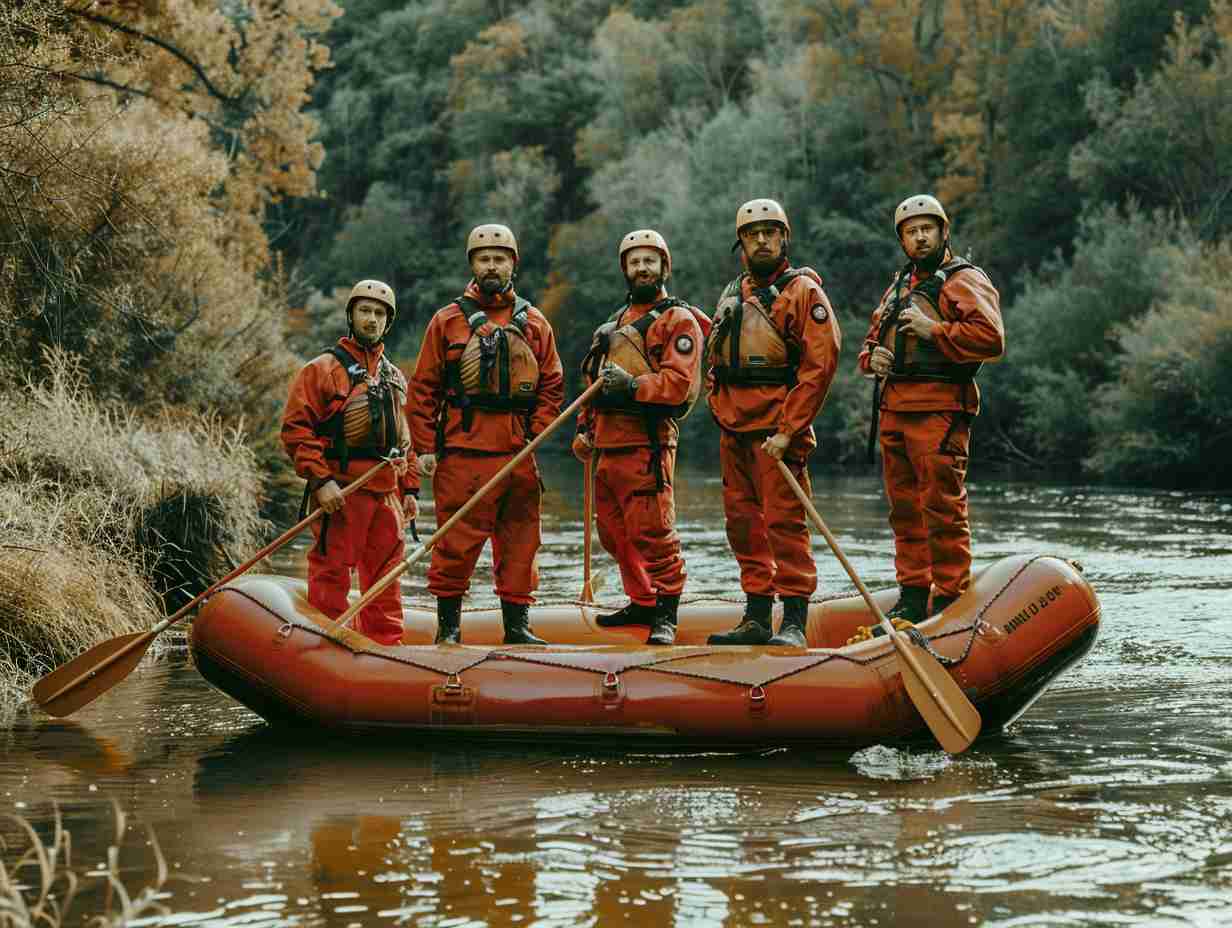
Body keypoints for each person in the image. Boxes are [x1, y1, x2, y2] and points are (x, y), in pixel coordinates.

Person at [409, 223, 564, 645]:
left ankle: (517, 627)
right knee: (454, 546)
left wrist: (534, 432)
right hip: (463, 453)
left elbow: (552, 384)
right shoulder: (446, 322)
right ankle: (449, 628)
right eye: (483, 259)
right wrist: (424, 447)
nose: (491, 266)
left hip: (517, 453)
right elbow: (423, 389)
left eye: (499, 258)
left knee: (520, 544)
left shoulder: (535, 323)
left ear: (513, 263)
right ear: (472, 265)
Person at [857, 194, 1004, 623]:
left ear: (943, 232)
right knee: (904, 509)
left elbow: (991, 339)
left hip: (939, 410)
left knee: (941, 505)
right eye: (911, 231)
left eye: (927, 229)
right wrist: (873, 360)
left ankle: (950, 594)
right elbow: (870, 345)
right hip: (895, 409)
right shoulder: (896, 286)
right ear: (901, 239)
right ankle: (913, 592)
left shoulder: (965, 280)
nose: (919, 237)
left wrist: (933, 330)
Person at [705, 199, 842, 648]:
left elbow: (818, 367)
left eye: (770, 232)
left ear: (784, 237)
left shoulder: (804, 293)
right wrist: (718, 407)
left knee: (784, 523)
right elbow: (713, 361)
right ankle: (757, 616)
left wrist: (789, 430)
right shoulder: (731, 294)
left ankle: (796, 622)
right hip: (735, 430)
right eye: (752, 233)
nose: (761, 240)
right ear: (740, 242)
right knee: (742, 524)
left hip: (776, 434)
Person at [572, 230, 708, 646]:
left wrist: (633, 387)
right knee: (614, 535)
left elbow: (679, 384)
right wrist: (584, 429)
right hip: (607, 446)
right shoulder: (611, 326)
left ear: (664, 267)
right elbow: (591, 385)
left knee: (653, 532)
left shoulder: (677, 321)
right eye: (635, 262)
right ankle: (642, 599)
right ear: (625, 270)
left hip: (646, 444)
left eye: (650, 260)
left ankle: (666, 612)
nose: (642, 268)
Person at [280, 279, 419, 646]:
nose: (371, 320)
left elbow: (406, 440)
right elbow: (296, 429)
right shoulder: (322, 369)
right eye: (365, 311)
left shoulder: (393, 377)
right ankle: (325, 646)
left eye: (379, 314)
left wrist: (410, 490)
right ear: (351, 315)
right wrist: (320, 480)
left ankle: (386, 647)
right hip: (342, 490)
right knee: (332, 571)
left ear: (387, 323)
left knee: (387, 576)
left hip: (387, 492)